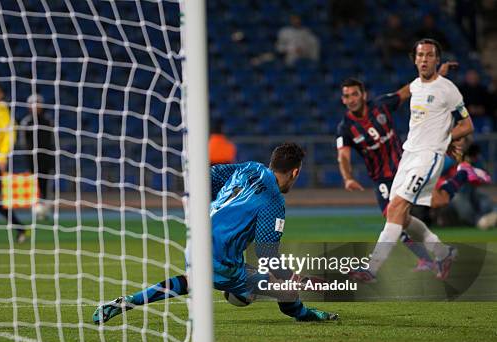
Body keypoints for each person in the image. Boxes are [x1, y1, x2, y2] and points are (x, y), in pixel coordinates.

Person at [93, 143, 338, 324]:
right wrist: (294, 277)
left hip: (195, 241)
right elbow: (267, 254)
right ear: (295, 172)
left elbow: (208, 176)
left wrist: (215, 208)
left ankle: (127, 301)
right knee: (282, 291)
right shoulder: (273, 201)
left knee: (193, 280)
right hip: (222, 264)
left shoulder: (249, 168)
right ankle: (305, 315)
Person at [349, 39, 474, 283]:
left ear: (437, 60)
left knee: (397, 208)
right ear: (414, 59)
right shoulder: (415, 86)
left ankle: (371, 269)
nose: (425, 59)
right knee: (398, 217)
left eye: (430, 55)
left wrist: (446, 137)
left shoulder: (448, 90)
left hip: (429, 157)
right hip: (409, 155)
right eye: (421, 55)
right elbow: (410, 93)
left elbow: (467, 125)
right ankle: (443, 252)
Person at [0, 82, 27, 244]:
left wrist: (2, 156)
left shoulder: (1, 110)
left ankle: (19, 228)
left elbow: (10, 134)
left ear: (1, 94)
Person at [19, 93, 55, 218]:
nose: (36, 106)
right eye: (33, 104)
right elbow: (23, 142)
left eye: (38, 103)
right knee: (34, 186)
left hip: (46, 158)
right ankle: (36, 210)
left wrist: (51, 158)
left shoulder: (48, 120)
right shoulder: (26, 122)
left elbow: (52, 141)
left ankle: (46, 210)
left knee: (46, 185)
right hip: (32, 159)